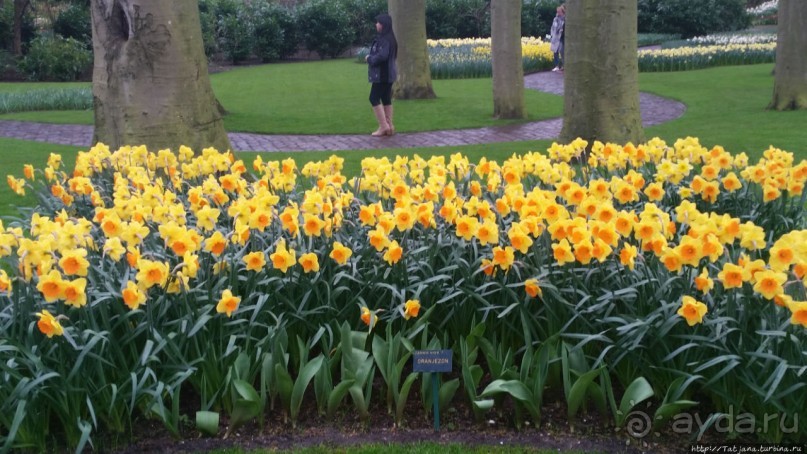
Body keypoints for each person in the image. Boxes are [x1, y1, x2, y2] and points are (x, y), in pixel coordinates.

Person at [365, 13, 398, 137]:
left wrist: (369, 58)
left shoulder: (384, 39)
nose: (376, 24)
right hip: (389, 74)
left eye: (378, 22)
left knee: (373, 98)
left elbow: (383, 56)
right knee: (386, 99)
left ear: (383, 25)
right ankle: (389, 126)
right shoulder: (391, 38)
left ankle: (383, 126)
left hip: (383, 75)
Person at [549, 5, 566, 72]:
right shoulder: (555, 19)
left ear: (563, 12)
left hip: (561, 37)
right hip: (555, 37)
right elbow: (552, 27)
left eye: (559, 12)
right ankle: (556, 66)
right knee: (555, 52)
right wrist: (552, 35)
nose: (558, 13)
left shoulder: (565, 19)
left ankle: (564, 65)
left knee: (562, 51)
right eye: (557, 12)